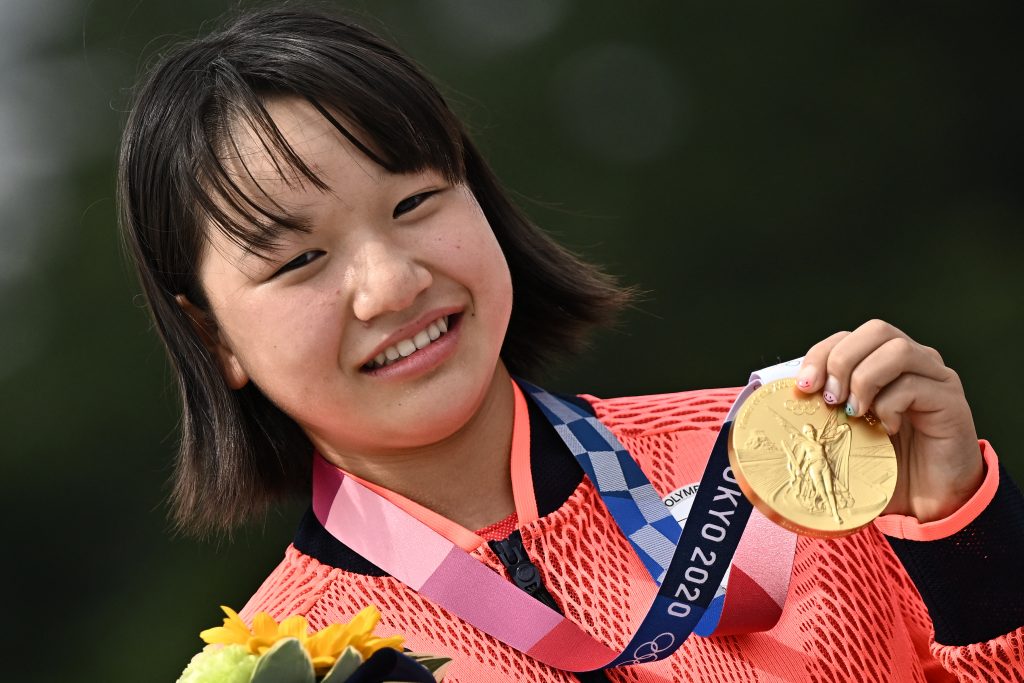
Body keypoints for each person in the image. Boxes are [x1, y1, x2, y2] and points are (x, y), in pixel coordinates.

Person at [118, 7, 1024, 682]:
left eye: (414, 203)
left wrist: (966, 538)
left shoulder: (791, 456)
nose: (391, 285)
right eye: (302, 259)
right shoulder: (288, 661)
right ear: (213, 334)